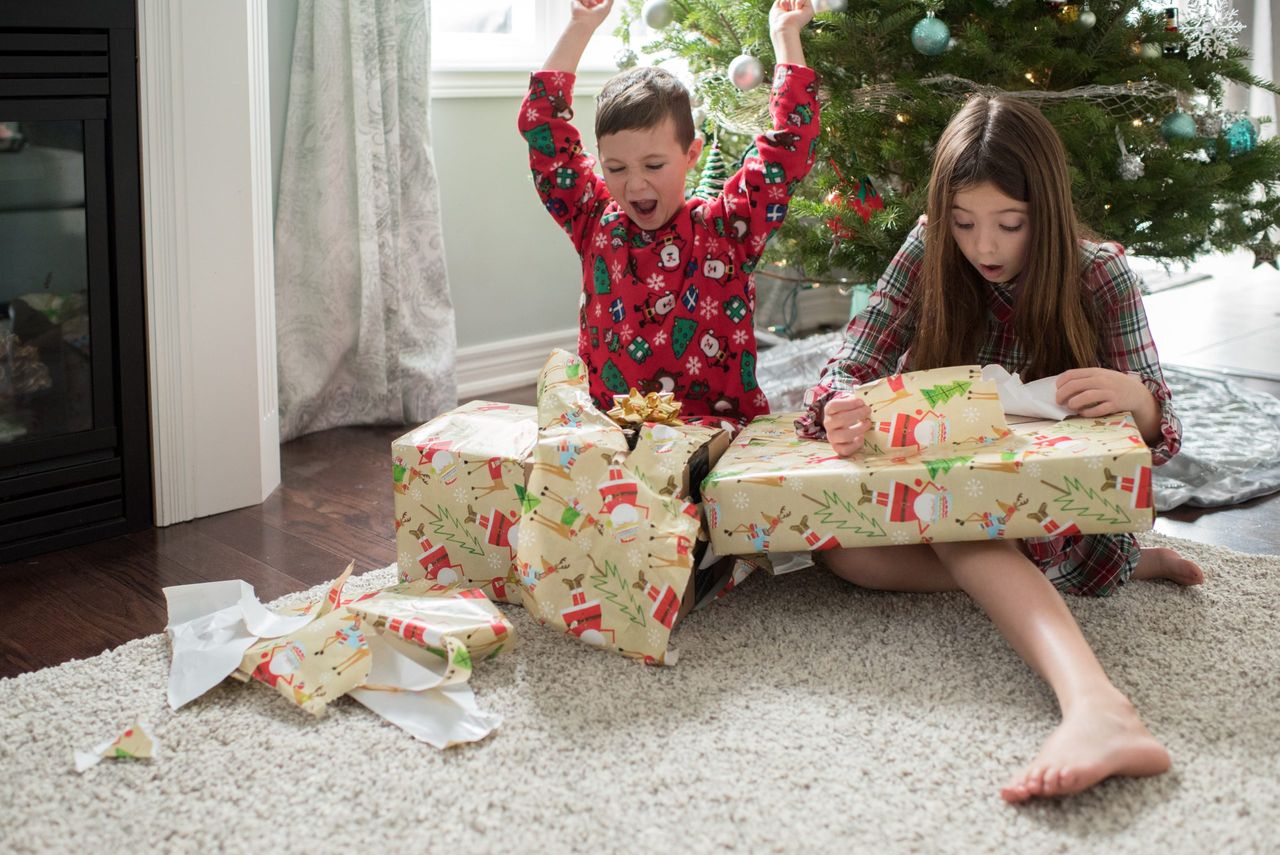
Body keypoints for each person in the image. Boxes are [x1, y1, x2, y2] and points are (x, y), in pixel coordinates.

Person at [794, 93, 1204, 803]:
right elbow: (851, 357)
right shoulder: (929, 250)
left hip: (1070, 517)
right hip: (970, 500)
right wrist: (840, 405)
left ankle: (1096, 705)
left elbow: (1157, 431)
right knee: (840, 550)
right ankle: (1112, 574)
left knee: (960, 518)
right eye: (963, 223)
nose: (984, 246)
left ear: (1042, 211)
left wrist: (1135, 399)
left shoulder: (1099, 272)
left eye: (1009, 224)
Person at [519, 0, 821, 431]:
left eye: (654, 166)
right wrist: (579, 27)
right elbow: (543, 128)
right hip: (614, 433)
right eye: (616, 168)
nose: (636, 185)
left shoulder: (728, 228)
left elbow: (791, 144)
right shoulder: (594, 220)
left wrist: (785, 35)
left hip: (717, 439)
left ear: (691, 154)